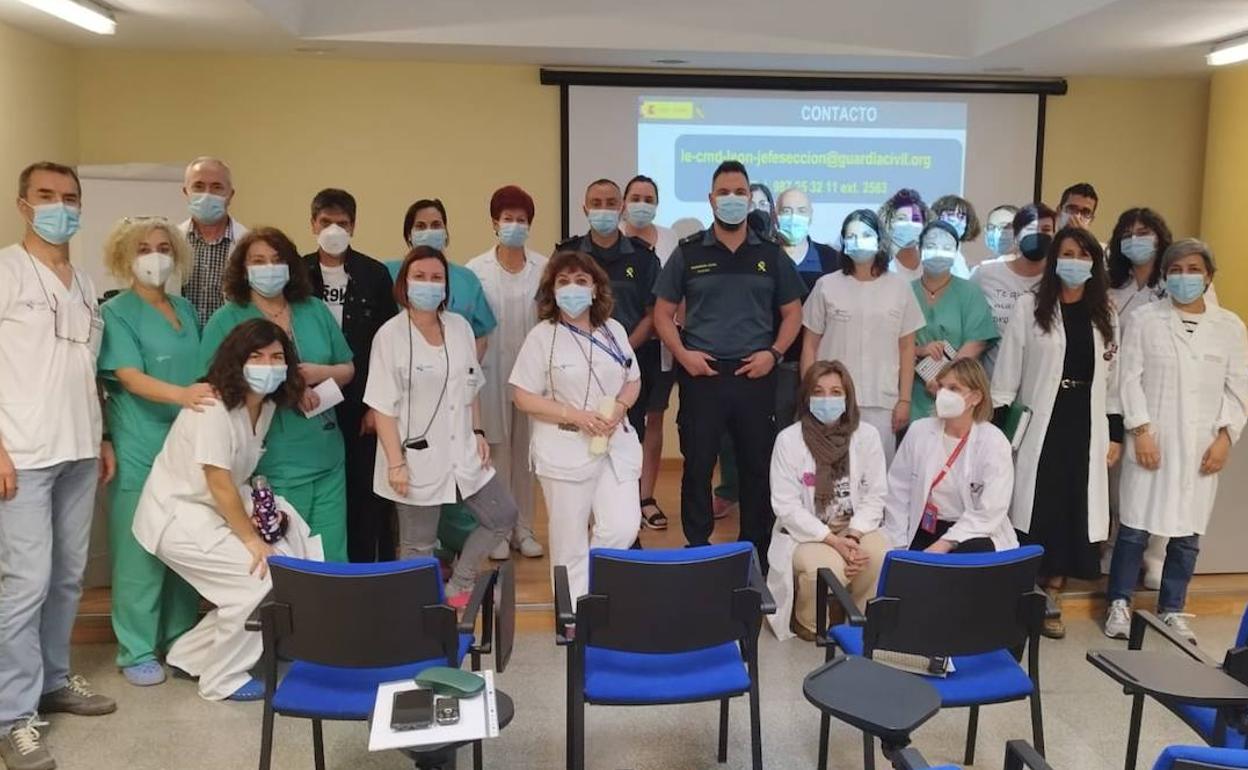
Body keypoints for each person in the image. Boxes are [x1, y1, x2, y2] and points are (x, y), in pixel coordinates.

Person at [132, 319, 323, 702]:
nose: (267, 365)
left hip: (214, 505)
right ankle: (222, 678)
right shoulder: (213, 407)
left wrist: (266, 520)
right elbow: (218, 481)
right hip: (179, 513)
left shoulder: (264, 406)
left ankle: (189, 656)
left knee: (292, 553)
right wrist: (253, 541)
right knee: (258, 579)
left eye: (276, 357)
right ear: (236, 361)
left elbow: (233, 478)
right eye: (256, 356)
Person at [0, 162, 116, 770]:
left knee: (69, 577)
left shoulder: (86, 282)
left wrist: (100, 436)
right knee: (25, 584)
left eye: (70, 198)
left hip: (77, 449)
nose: (59, 207)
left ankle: (52, 679)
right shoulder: (5, 271)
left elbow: (86, 370)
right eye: (46, 197)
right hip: (21, 454)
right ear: (24, 204)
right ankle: (12, 716)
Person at [653, 160, 805, 569]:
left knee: (756, 467)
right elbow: (662, 313)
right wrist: (684, 356)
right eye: (724, 192)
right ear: (711, 199)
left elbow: (793, 312)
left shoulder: (770, 254)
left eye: (740, 192)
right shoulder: (688, 253)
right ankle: (699, 549)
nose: (732, 200)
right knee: (698, 465)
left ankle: (753, 552)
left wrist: (773, 354)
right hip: (703, 376)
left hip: (755, 376)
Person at [1104, 239, 1248, 643]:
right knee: (1134, 529)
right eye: (1177, 269)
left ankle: (1172, 607)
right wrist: (1141, 431)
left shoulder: (1230, 327)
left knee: (1187, 534)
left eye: (1194, 269)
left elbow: (1238, 390)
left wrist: (1225, 438)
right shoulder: (1147, 320)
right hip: (1151, 439)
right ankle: (1119, 602)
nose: (1186, 277)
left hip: (1202, 445)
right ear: (1165, 276)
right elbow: (1127, 379)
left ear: (1209, 276)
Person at [365, 247, 518, 606]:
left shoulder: (460, 328)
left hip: (463, 449)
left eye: (437, 278)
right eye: (420, 277)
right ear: (405, 283)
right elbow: (381, 406)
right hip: (413, 458)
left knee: (502, 515)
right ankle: (415, 617)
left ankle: (460, 584)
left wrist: (478, 431)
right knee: (418, 545)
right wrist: (395, 463)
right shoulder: (390, 335)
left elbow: (470, 385)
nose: (429, 285)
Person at [991, 226, 1123, 639]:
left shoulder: (1106, 313)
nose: (1075, 262)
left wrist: (1115, 433)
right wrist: (999, 428)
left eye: (1084, 255)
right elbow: (1007, 372)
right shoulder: (1032, 306)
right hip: (1038, 421)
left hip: (1085, 420)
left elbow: (1113, 381)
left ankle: (1053, 593)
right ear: (1054, 260)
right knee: (1035, 501)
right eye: (1067, 253)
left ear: (1094, 264)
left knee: (1072, 505)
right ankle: (1022, 590)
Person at [199, 227, 355, 562]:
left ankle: (330, 616)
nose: (269, 267)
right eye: (258, 261)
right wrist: (287, 389)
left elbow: (348, 368)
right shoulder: (227, 320)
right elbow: (216, 386)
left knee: (331, 557)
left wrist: (319, 373)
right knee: (286, 561)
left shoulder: (313, 310)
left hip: (326, 456)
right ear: (244, 269)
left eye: (276, 260)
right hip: (271, 464)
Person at [97, 217, 206, 688]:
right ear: (125, 257)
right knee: (140, 549)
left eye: (163, 246)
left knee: (184, 545)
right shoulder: (117, 312)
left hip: (187, 448)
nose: (155, 256)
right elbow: (127, 375)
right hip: (140, 445)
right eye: (143, 248)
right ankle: (136, 647)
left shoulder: (185, 308)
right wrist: (182, 395)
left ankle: (179, 637)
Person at [510, 251, 643, 600]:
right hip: (564, 447)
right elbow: (522, 396)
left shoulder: (613, 330)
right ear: (551, 291)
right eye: (563, 282)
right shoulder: (543, 336)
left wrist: (620, 405)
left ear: (596, 289)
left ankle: (594, 593)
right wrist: (576, 415)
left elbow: (633, 379)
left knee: (622, 527)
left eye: (581, 281)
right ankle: (573, 614)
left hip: (615, 444)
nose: (572, 288)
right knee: (568, 539)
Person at [301, 188, 398, 563]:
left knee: (365, 494)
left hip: (362, 402)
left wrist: (377, 407)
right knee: (322, 491)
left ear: (354, 226)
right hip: (309, 400)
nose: (334, 230)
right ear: (313, 224)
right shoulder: (296, 272)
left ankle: (363, 571)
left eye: (342, 223)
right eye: (326, 222)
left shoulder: (374, 275)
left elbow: (387, 347)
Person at [765, 360, 890, 642]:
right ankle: (809, 622)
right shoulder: (789, 440)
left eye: (835, 392)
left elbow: (876, 494)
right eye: (818, 391)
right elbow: (786, 506)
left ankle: (857, 620)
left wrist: (854, 537)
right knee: (827, 567)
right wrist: (834, 541)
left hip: (854, 527)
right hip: (806, 534)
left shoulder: (866, 436)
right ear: (806, 397)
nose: (827, 399)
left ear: (848, 397)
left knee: (879, 553)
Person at [801, 209, 924, 464]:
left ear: (880, 240)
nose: (859, 241)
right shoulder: (826, 285)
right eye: (852, 236)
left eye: (866, 235)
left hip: (882, 400)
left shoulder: (899, 287)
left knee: (875, 474)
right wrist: (809, 394)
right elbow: (810, 345)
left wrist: (904, 399)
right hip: (831, 400)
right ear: (843, 242)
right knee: (829, 469)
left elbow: (907, 348)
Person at [467, 186, 548, 559]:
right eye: (508, 219)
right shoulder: (475, 270)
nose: (514, 225)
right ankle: (498, 529)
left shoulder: (544, 268)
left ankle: (524, 529)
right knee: (496, 453)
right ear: (494, 223)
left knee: (526, 454)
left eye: (521, 220)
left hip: (532, 377)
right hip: (490, 373)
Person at [555, 179, 661, 442]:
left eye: (611, 204)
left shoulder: (643, 258)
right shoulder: (566, 254)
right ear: (584, 209)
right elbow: (549, 306)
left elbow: (653, 315)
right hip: (575, 367)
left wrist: (620, 349)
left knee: (626, 439)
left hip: (628, 365)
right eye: (596, 204)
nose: (604, 209)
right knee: (578, 440)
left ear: (622, 208)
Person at [885, 358, 1018, 554]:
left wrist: (946, 542)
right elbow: (898, 491)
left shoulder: (994, 442)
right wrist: (897, 543)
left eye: (954, 389)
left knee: (967, 555)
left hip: (972, 532)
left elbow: (990, 511)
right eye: (941, 386)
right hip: (924, 526)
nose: (943, 394)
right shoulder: (919, 431)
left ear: (975, 397)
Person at [620, 175, 679, 532]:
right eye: (635, 197)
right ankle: (620, 498)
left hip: (661, 346)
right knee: (622, 420)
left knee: (654, 419)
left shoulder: (670, 239)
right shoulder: (612, 240)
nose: (642, 203)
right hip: (619, 347)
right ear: (624, 203)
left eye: (649, 198)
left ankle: (645, 496)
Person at [908, 220, 998, 420]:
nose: (938, 253)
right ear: (920, 249)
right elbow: (895, 342)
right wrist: (919, 350)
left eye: (946, 248)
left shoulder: (969, 293)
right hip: (912, 395)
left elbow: (976, 343)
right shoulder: (905, 292)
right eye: (931, 247)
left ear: (956, 252)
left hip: (958, 394)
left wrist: (945, 383)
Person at [390, 199, 497, 360]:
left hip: (455, 373)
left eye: (436, 225)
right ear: (409, 235)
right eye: (420, 226)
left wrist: (466, 371)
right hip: (403, 367)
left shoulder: (467, 279)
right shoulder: (387, 273)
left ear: (446, 232)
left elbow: (480, 335)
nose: (429, 231)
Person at [774, 188, 840, 427]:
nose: (794, 218)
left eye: (801, 211)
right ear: (775, 215)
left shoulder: (832, 259)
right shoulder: (766, 256)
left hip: (821, 367)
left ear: (811, 216)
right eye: (787, 211)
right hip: (775, 367)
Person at [971, 204, 1056, 375]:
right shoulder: (985, 274)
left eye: (1046, 229)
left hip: (1042, 385)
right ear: (1016, 235)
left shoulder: (1059, 280)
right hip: (992, 384)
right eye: (1030, 228)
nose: (1038, 235)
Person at [178, 157, 249, 327]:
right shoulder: (172, 241)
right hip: (183, 343)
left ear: (230, 195)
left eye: (217, 187)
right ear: (186, 192)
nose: (207, 194)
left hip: (231, 344)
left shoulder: (248, 242)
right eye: (199, 186)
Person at [1106, 207, 1173, 319]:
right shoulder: (1110, 284)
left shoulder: (1173, 283)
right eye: (1127, 235)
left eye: (1143, 233)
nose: (1134, 239)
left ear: (1159, 238)